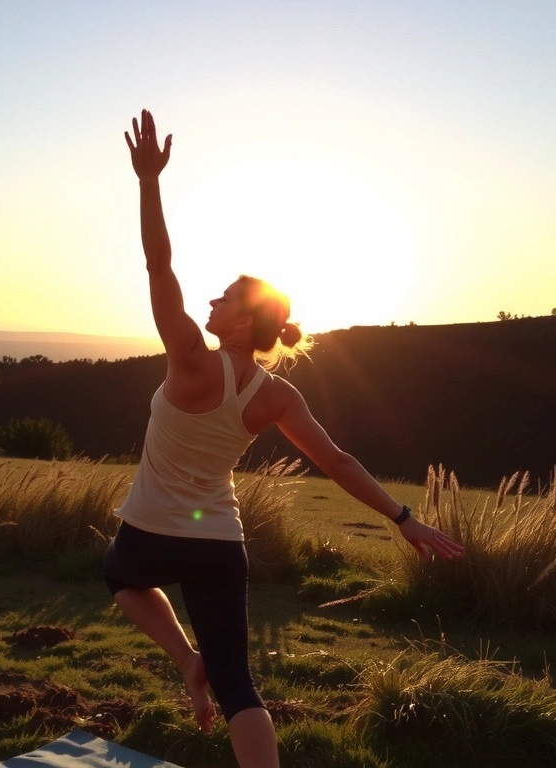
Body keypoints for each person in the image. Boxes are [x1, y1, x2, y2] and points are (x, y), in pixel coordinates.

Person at [103, 109, 465, 768]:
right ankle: (202, 668)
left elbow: (158, 262)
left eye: (223, 299)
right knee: (241, 689)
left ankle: (187, 661)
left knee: (120, 575)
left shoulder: (187, 356)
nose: (209, 303)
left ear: (240, 326)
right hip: (219, 542)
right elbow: (337, 460)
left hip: (152, 530)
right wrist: (402, 517)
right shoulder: (277, 394)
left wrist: (148, 182)